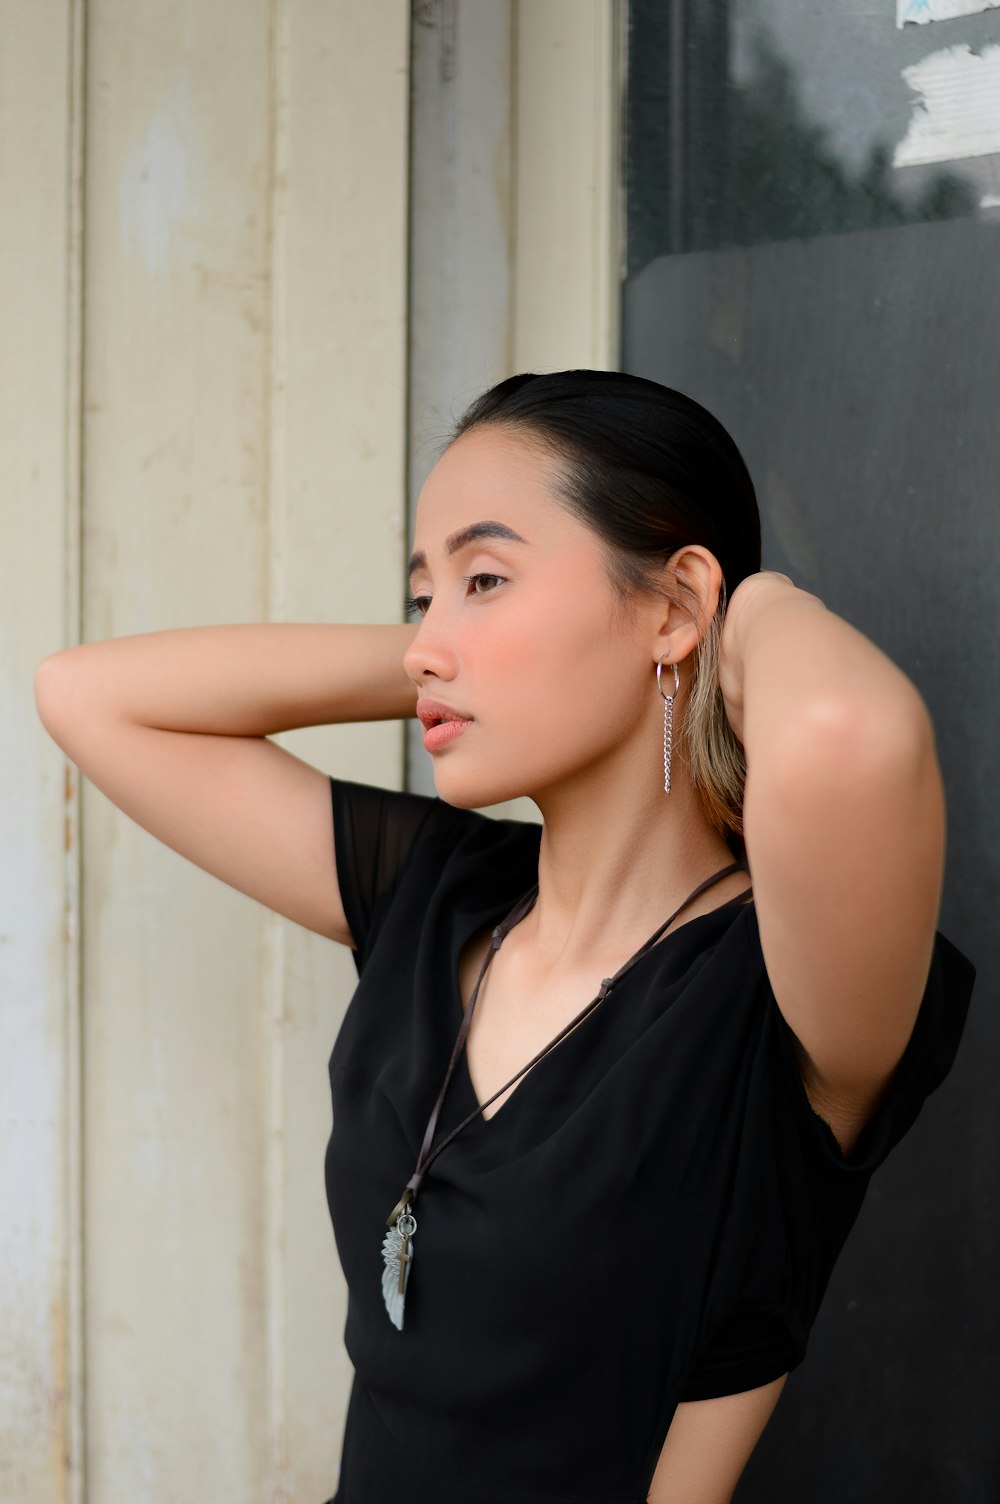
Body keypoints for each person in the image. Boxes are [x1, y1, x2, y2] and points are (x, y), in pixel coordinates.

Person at [35, 369, 975, 1504]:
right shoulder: (435, 897)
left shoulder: (781, 990)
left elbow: (844, 731)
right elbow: (86, 695)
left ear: (676, 607)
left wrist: (748, 608)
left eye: (485, 578)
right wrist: (446, 654)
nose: (428, 640)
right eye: (423, 596)